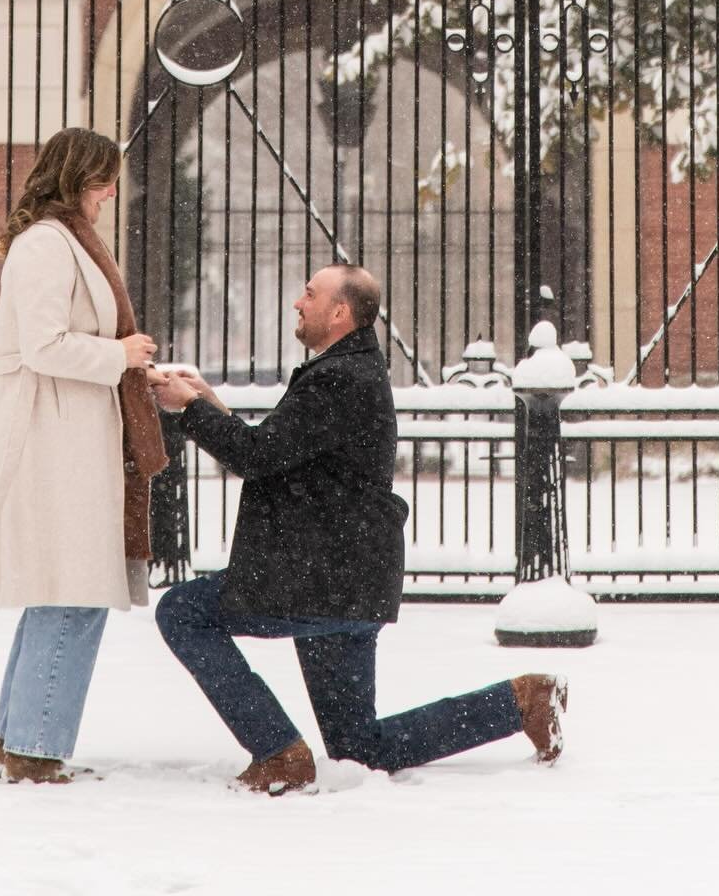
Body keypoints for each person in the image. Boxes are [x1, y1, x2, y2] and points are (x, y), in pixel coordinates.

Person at [152, 263, 568, 795]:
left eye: (309, 294)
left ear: (340, 312)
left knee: (182, 613)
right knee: (359, 748)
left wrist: (188, 410)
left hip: (317, 577)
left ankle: (277, 751)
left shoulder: (338, 378)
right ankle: (520, 702)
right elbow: (284, 451)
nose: (298, 304)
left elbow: (258, 456)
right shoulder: (351, 370)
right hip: (347, 576)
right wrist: (207, 402)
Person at [0, 127, 166, 785]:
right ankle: (34, 749)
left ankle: (21, 738)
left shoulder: (59, 242)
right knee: (72, 593)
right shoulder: (46, 247)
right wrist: (118, 355)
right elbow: (43, 345)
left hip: (71, 437)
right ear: (74, 180)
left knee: (61, 592)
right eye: (101, 180)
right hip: (54, 443)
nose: (110, 192)